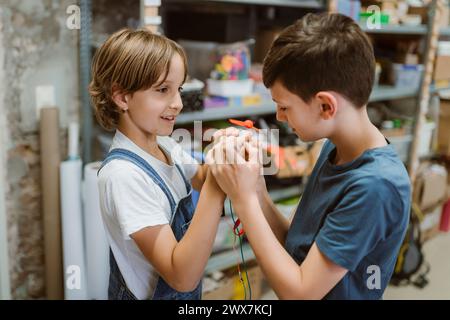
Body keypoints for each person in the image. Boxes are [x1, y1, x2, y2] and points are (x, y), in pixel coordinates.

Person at [207, 13, 411, 300]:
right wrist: (255, 189)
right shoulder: (335, 147)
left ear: (326, 106)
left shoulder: (376, 186)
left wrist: (244, 201)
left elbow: (301, 293)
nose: (279, 117)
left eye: (284, 107)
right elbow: (299, 248)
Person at [89, 29, 225, 300]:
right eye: (163, 90)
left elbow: (201, 177)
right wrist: (221, 184)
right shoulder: (124, 176)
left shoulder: (165, 145)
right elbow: (181, 276)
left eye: (179, 89)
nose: (177, 104)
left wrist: (223, 152)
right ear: (122, 97)